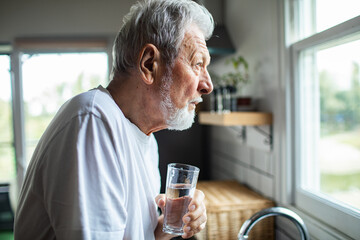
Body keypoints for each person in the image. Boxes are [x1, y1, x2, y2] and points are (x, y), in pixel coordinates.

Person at [14, 0, 214, 239]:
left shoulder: (144, 139)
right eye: (198, 64)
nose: (208, 85)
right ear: (149, 64)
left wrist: (174, 224)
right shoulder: (93, 122)